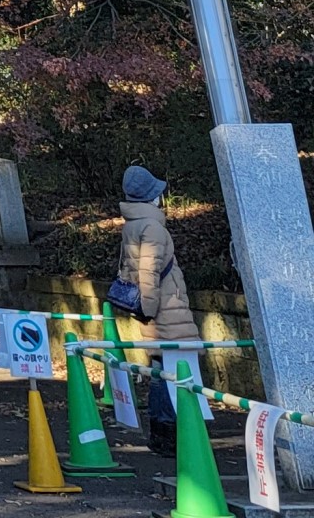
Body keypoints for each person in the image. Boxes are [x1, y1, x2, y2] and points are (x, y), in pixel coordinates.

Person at [118, 164, 197, 456]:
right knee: (170, 370)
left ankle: (160, 430)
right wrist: (149, 309)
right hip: (166, 308)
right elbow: (149, 272)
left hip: (152, 309)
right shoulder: (152, 227)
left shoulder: (132, 225)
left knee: (159, 369)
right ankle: (168, 431)